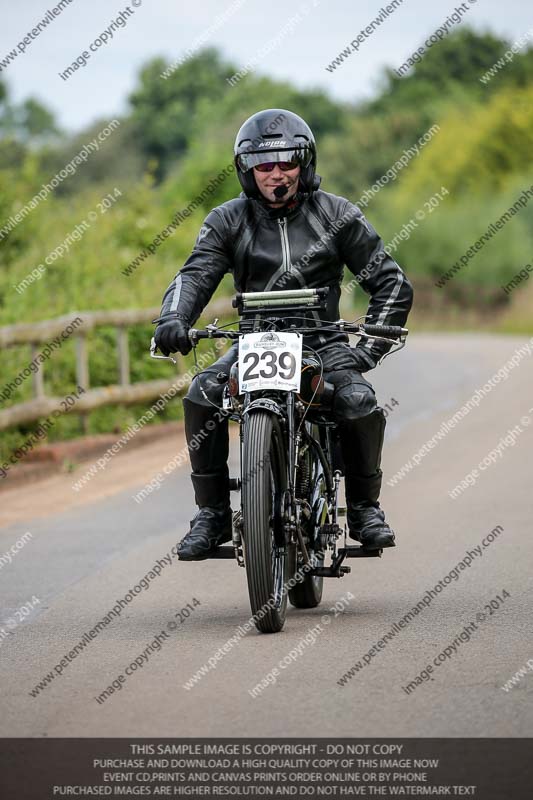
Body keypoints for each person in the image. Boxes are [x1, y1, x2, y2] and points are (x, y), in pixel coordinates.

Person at [154, 109, 413, 560]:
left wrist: (366, 351)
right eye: (264, 164)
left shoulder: (338, 214)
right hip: (252, 342)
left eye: (286, 162)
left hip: (324, 342)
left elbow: (390, 283)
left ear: (305, 162)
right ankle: (212, 515)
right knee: (202, 394)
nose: (276, 174)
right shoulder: (225, 220)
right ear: (246, 170)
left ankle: (364, 509)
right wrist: (171, 320)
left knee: (358, 402)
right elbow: (195, 275)